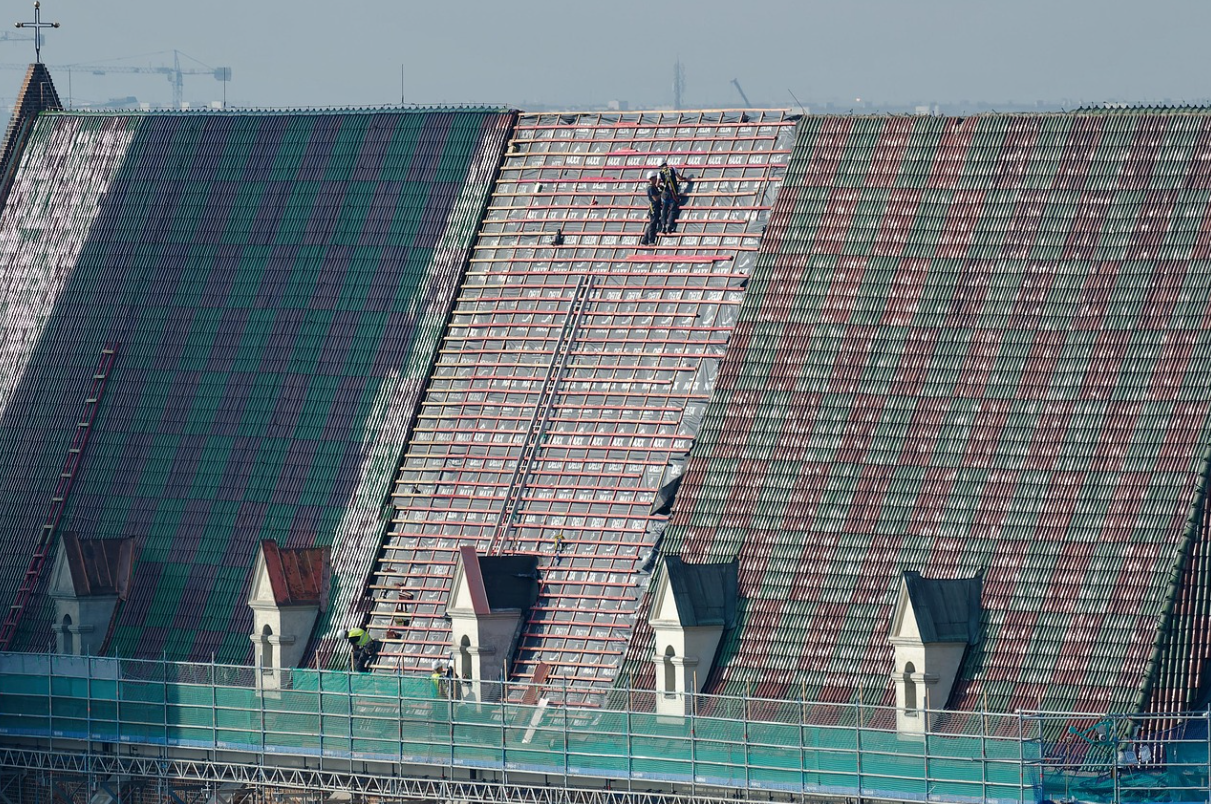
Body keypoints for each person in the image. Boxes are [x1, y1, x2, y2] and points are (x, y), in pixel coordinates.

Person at [658, 161, 686, 233]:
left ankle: (663, 226)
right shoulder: (673, 169)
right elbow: (680, 178)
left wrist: (662, 187)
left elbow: (657, 184)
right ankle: (669, 226)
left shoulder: (660, 173)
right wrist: (684, 178)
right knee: (673, 210)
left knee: (664, 210)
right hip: (673, 193)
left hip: (665, 194)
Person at [641, 172, 662, 245]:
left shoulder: (653, 187)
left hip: (655, 208)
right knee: (652, 225)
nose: (657, 179)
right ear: (652, 178)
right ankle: (650, 241)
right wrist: (662, 194)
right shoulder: (651, 188)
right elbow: (655, 198)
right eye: (656, 178)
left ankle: (645, 239)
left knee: (651, 224)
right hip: (654, 209)